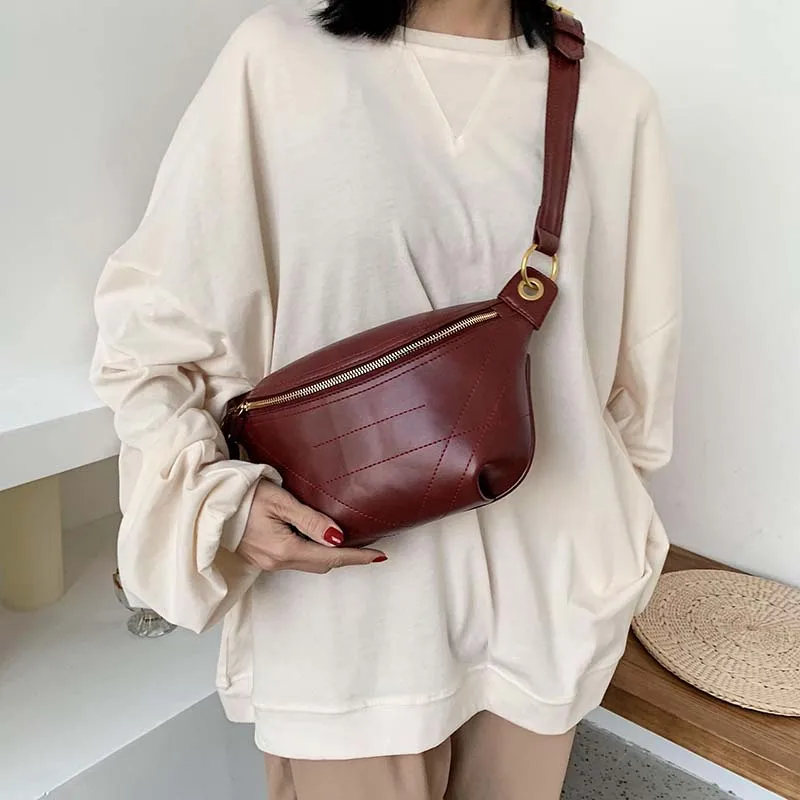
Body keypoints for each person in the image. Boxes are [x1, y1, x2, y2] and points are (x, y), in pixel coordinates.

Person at [91, 0, 680, 797]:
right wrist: (219, 502)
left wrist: (601, 573)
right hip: (347, 630)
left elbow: (636, 395)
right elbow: (151, 331)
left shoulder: (614, 100)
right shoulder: (279, 64)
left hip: (547, 624)